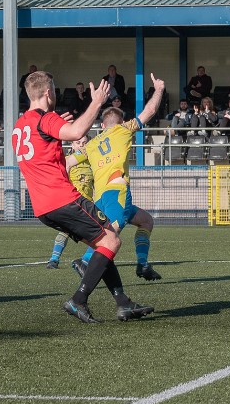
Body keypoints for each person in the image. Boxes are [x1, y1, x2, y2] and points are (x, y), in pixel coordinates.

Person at [15, 71, 152, 323]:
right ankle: (78, 300)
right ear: (48, 93)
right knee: (112, 241)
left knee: (102, 244)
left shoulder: (20, 125)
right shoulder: (44, 119)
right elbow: (77, 131)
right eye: (54, 90)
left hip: (42, 206)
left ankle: (123, 303)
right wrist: (97, 101)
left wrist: (58, 128)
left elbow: (46, 150)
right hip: (62, 198)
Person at [65, 73, 167, 283]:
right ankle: (84, 261)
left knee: (146, 221)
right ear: (121, 122)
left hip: (100, 198)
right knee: (111, 233)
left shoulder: (91, 144)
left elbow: (67, 163)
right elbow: (150, 111)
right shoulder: (123, 130)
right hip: (117, 191)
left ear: (102, 126)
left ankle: (143, 265)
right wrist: (158, 90)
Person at [47, 135, 95, 269]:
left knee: (100, 233)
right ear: (72, 145)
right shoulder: (67, 162)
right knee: (65, 231)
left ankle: (85, 260)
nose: (81, 145)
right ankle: (54, 259)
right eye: (78, 143)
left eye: (85, 143)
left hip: (88, 205)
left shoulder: (92, 163)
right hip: (72, 203)